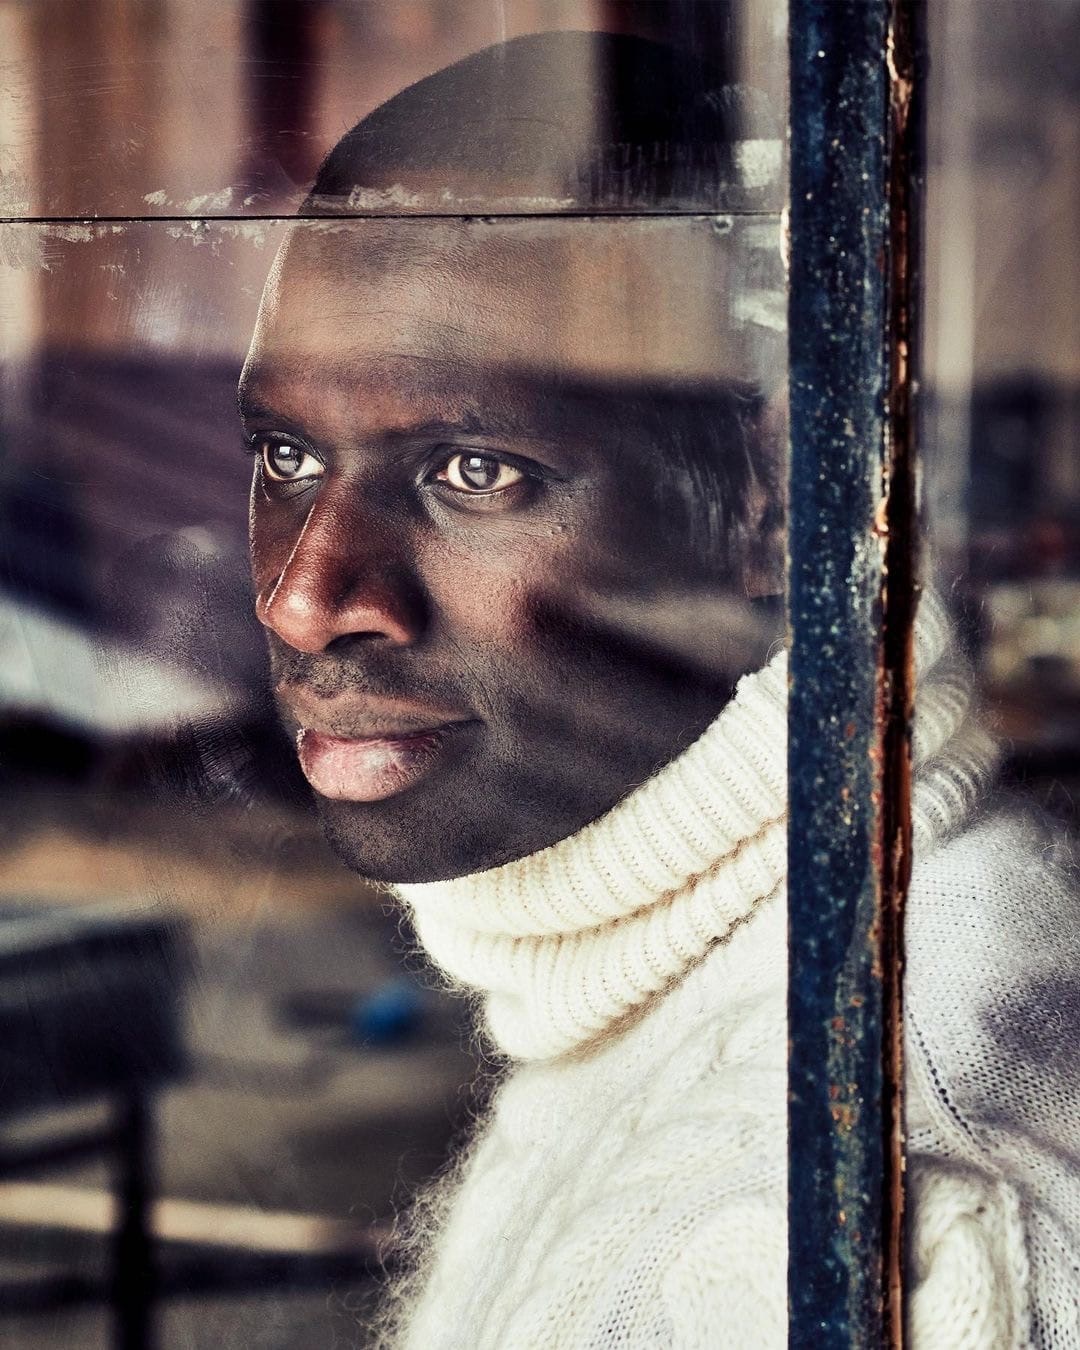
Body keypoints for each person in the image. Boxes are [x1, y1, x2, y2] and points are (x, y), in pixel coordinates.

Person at [238, 32, 1080, 1349]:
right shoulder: (717, 972)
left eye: (474, 470)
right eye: (288, 450)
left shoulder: (843, 1207)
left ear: (773, 500)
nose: (304, 594)